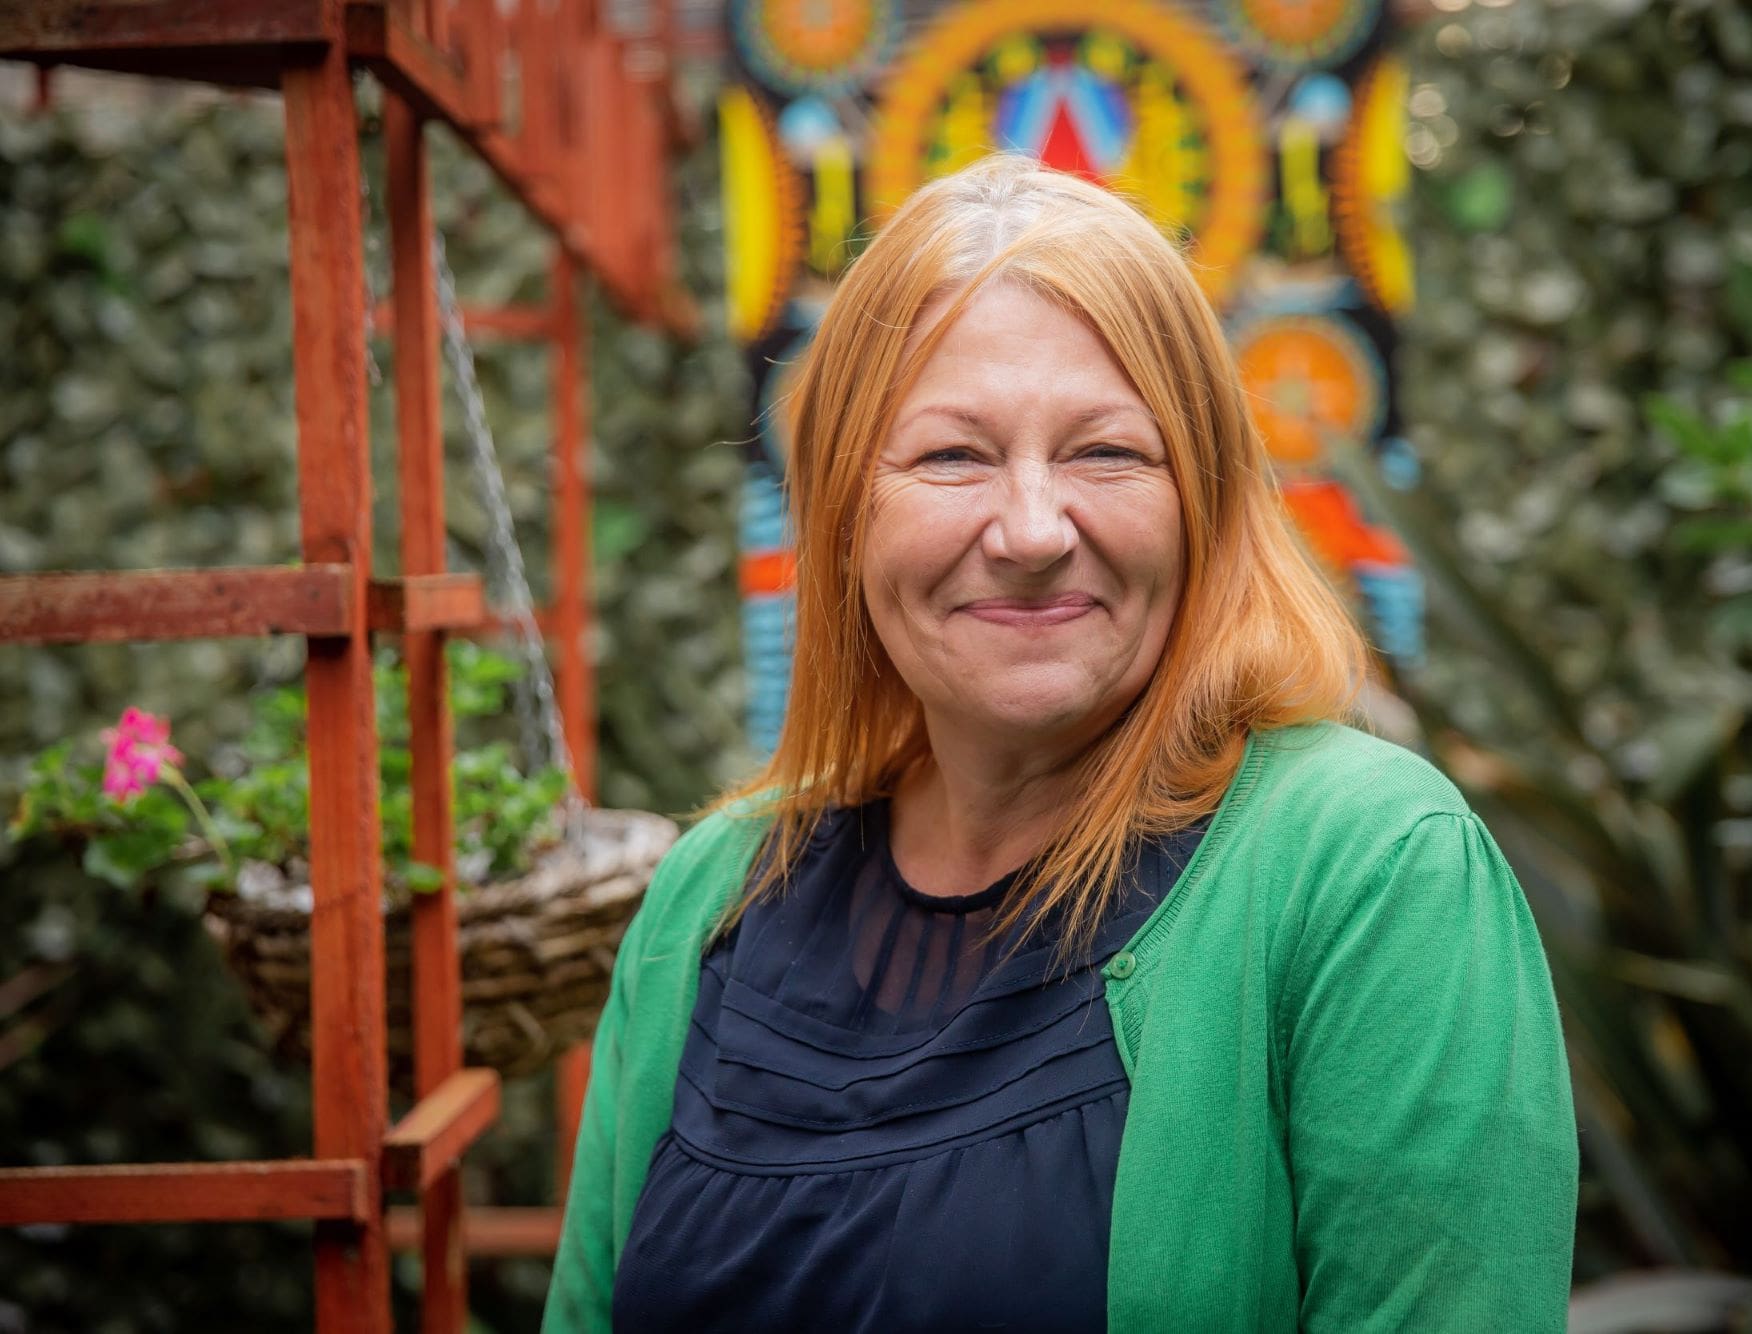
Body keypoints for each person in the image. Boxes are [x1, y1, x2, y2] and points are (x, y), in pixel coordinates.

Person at [544, 154, 1576, 1333]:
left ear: (1205, 501)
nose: (1032, 528)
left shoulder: (1371, 871)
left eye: (1105, 451)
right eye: (951, 455)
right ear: (840, 512)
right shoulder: (709, 896)